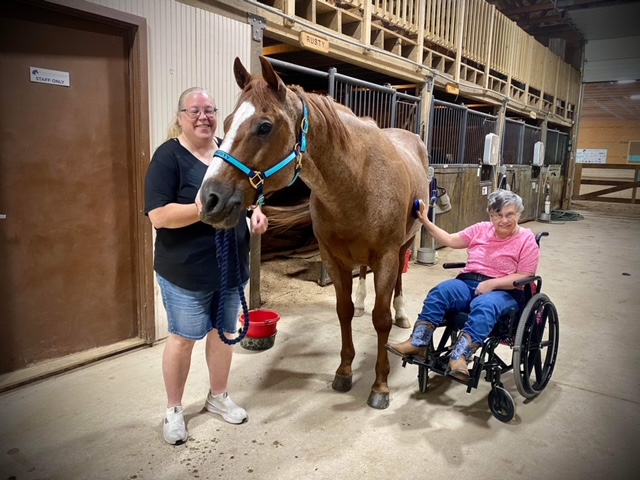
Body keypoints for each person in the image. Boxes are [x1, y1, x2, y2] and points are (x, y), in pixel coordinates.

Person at [144, 87, 268, 445]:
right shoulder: (168, 157)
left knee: (222, 334)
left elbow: (247, 193)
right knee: (183, 340)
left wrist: (255, 212)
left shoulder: (228, 150)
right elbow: (159, 216)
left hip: (229, 266)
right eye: (194, 110)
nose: (203, 117)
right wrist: (202, 210)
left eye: (209, 110)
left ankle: (218, 396)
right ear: (180, 116)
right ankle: (173, 409)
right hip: (186, 271)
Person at [386, 189, 539, 381]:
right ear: (490, 214)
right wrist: (425, 221)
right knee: (441, 291)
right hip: (469, 283)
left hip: (506, 291)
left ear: (519, 214)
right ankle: (418, 342)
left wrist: (492, 284)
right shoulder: (481, 229)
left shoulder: (526, 239)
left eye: (510, 214)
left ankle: (460, 358)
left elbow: (525, 275)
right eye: (498, 215)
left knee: (485, 305)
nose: (504, 220)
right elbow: (450, 240)